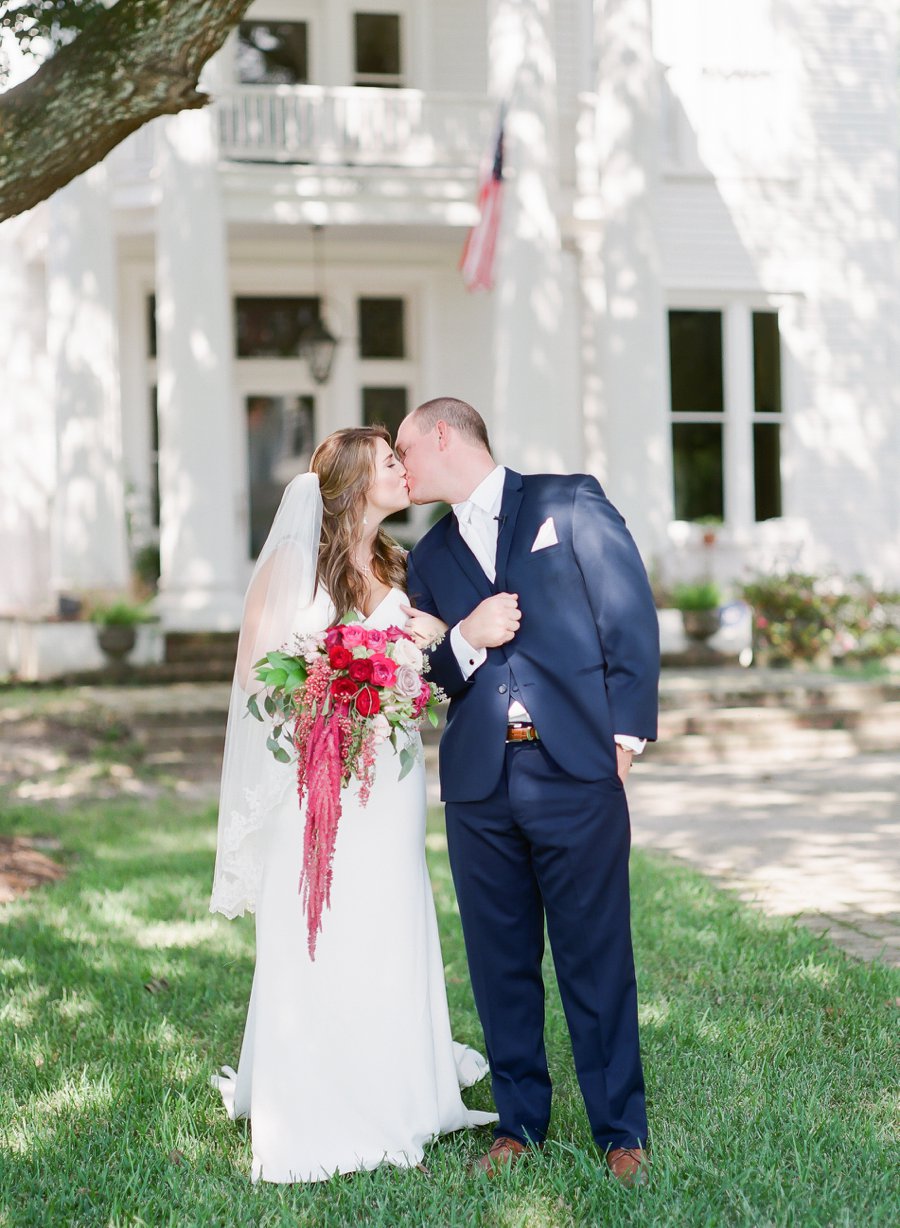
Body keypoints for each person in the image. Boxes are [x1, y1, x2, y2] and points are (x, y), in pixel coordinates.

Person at [209, 426, 496, 1183]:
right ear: (355, 481)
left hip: (393, 779)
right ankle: (328, 1087)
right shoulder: (294, 569)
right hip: (324, 779)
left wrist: (423, 648)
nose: (405, 471)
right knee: (327, 920)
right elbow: (254, 678)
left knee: (391, 912)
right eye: (391, 463)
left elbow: (422, 660)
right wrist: (335, 690)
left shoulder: (399, 562)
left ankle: (401, 1074)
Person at [396, 398, 660, 1185]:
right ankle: (519, 1124)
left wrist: (623, 739)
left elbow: (628, 615)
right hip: (480, 785)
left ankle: (621, 1130)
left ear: (444, 435)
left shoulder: (565, 501)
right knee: (499, 961)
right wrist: (465, 640)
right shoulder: (430, 555)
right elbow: (431, 675)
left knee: (595, 954)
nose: (400, 467)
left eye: (405, 449)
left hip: (577, 770)